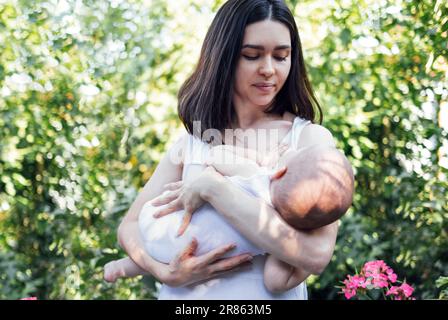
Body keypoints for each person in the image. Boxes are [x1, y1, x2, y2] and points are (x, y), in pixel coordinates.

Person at [108, 0, 354, 299]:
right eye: (251, 55)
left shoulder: (309, 143)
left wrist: (215, 188)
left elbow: (315, 255)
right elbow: (130, 227)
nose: (268, 69)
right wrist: (164, 272)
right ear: (224, 58)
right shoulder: (194, 142)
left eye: (281, 56)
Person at [104, 142, 353, 292]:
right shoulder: (283, 232)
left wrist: (263, 160)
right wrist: (301, 239)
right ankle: (131, 266)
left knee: (172, 244)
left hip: (161, 222)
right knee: (185, 248)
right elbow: (275, 282)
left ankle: (126, 266)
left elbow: (216, 156)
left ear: (279, 171)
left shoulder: (256, 174)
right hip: (183, 252)